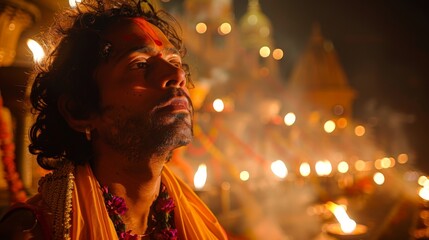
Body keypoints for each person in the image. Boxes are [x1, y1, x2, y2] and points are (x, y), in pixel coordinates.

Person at [0, 0, 227, 239]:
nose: (177, 75)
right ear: (80, 111)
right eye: (139, 64)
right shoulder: (31, 231)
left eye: (175, 62)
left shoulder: (203, 224)